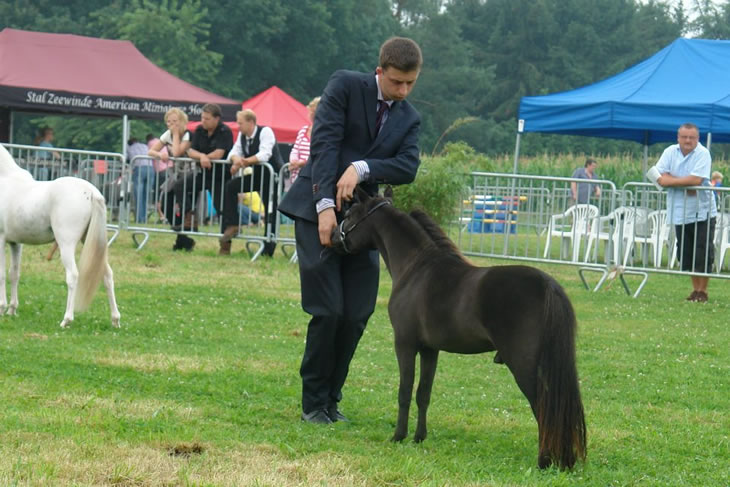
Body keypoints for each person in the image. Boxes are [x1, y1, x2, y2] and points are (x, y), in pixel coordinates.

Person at [279, 37, 423, 424]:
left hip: (365, 219)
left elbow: (407, 166)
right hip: (317, 209)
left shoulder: (408, 117)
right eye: (396, 82)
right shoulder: (344, 85)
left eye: (410, 83)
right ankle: (314, 403)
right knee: (328, 310)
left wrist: (363, 167)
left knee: (357, 313)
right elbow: (325, 145)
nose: (403, 92)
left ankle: (331, 400)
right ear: (380, 71)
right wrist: (325, 206)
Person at [656, 123, 717, 302]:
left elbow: (696, 179)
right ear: (678, 137)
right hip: (680, 211)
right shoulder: (669, 152)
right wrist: (685, 184)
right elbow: (657, 176)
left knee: (703, 252)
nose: (688, 141)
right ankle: (694, 290)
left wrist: (670, 181)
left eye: (692, 137)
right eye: (684, 137)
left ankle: (702, 291)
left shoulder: (703, 153)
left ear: (697, 139)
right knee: (687, 253)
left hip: (703, 211)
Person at [171, 103, 233, 251]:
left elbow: (220, 153)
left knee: (221, 208)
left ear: (217, 119)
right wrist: (203, 157)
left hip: (220, 177)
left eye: (207, 118)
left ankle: (225, 245)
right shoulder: (199, 130)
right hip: (203, 173)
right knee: (180, 185)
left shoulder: (225, 131)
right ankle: (189, 217)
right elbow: (191, 151)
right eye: (202, 118)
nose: (203, 121)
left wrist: (205, 158)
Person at [218, 109, 280, 255]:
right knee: (231, 186)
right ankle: (233, 224)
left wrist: (243, 162)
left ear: (251, 122)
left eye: (240, 123)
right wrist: (236, 161)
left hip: (272, 176)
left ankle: (269, 246)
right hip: (257, 175)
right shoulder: (242, 135)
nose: (238, 126)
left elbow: (265, 154)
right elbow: (233, 153)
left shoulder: (266, 132)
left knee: (271, 209)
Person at [148, 108, 193, 227]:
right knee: (165, 201)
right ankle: (176, 225)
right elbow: (151, 151)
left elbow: (177, 152)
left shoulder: (187, 134)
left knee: (184, 200)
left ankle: (186, 224)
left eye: (175, 121)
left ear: (182, 121)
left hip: (191, 172)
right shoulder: (168, 134)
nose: (172, 124)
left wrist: (177, 134)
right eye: (169, 122)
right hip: (176, 173)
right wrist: (160, 154)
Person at [286, 96, 320, 191]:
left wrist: (302, 163)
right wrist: (293, 161)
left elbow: (318, 153)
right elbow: (295, 149)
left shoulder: (324, 133)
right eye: (311, 111)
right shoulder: (303, 130)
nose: (311, 114)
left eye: (314, 112)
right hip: (297, 177)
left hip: (313, 178)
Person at [127, 137, 155, 223]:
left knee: (138, 196)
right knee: (146, 196)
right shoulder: (145, 146)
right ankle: (144, 218)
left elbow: (126, 158)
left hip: (139, 169)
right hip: (150, 168)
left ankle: (139, 219)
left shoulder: (130, 148)